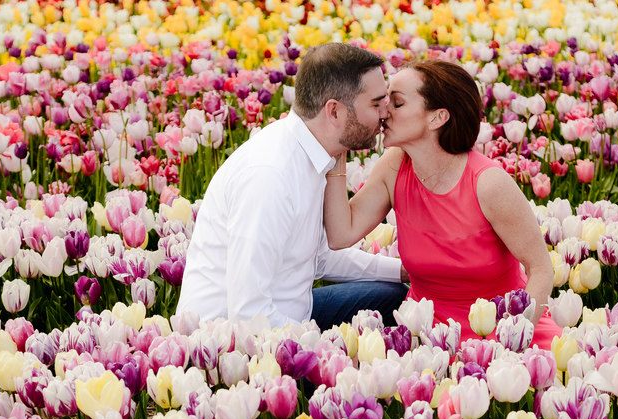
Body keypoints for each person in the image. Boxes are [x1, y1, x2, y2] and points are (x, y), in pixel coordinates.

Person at [322, 59, 560, 348]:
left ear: (437, 118)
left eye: (396, 103)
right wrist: (338, 146)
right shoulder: (394, 167)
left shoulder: (488, 184)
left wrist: (512, 341)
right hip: (427, 341)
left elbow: (541, 270)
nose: (383, 112)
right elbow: (340, 234)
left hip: (501, 336)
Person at [176, 43, 408, 329]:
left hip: (293, 311)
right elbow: (249, 315)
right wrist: (323, 354)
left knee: (395, 297)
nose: (384, 114)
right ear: (333, 111)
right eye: (375, 104)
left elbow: (319, 258)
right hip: (230, 345)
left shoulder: (314, 154)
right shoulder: (271, 177)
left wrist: (402, 271)